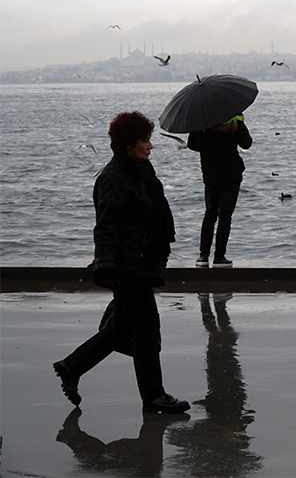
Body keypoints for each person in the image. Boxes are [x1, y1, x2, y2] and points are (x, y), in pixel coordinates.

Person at [53, 111, 189, 414]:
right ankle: (154, 396)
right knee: (147, 329)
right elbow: (106, 225)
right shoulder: (114, 178)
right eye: (145, 140)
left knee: (121, 328)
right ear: (128, 144)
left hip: (141, 263)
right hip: (128, 268)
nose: (150, 146)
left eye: (150, 140)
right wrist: (106, 265)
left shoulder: (139, 172)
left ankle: (71, 366)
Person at [187, 114, 252, 268]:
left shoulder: (201, 123)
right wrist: (240, 122)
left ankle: (203, 256)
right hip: (231, 174)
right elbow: (247, 143)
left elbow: (192, 145)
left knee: (210, 214)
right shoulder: (233, 122)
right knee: (225, 216)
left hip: (210, 174)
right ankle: (219, 257)